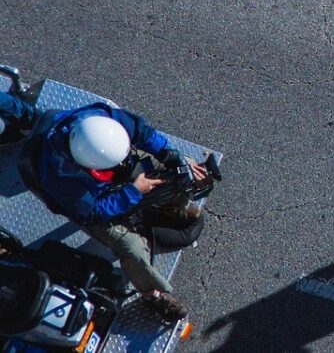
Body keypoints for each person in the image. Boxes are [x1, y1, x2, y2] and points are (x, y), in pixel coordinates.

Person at [0, 90, 207, 322]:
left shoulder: (101, 122)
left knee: (174, 173)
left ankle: (166, 204)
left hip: (111, 170)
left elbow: (139, 129)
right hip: (92, 202)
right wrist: (132, 192)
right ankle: (152, 294)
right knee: (132, 249)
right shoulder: (61, 177)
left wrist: (170, 155)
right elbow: (92, 212)